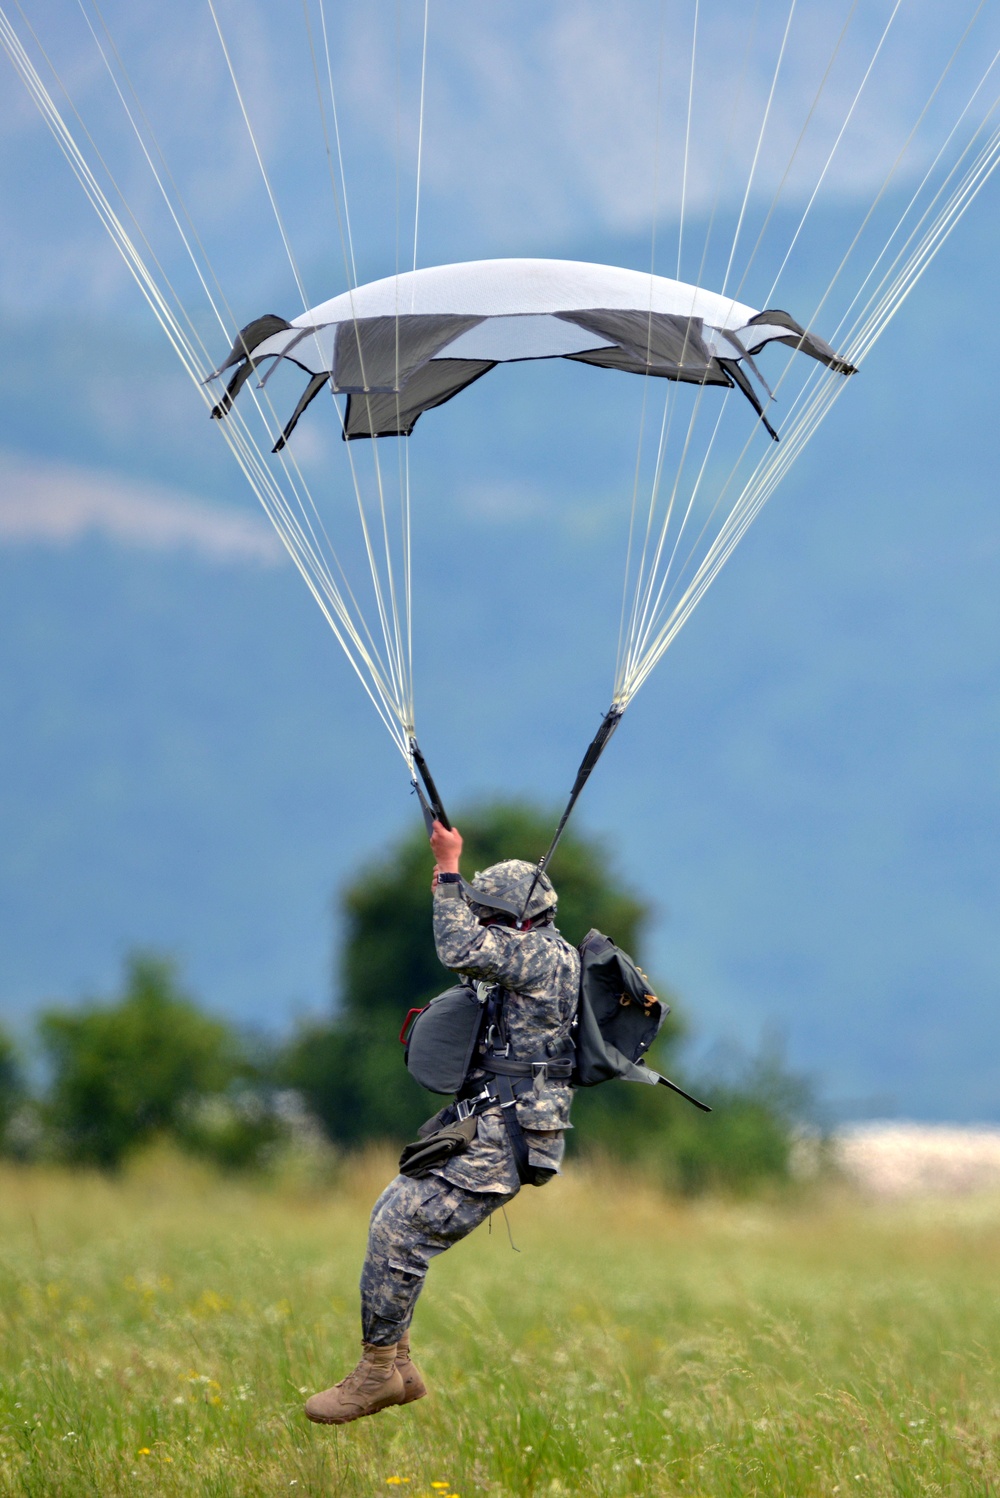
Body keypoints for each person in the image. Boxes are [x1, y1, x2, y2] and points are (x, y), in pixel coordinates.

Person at [304, 818, 581, 1426]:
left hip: (503, 1136)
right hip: (494, 1125)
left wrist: (451, 868)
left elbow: (460, 948)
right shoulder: (537, 952)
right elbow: (469, 959)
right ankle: (397, 1364)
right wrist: (447, 887)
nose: (477, 920)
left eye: (487, 912)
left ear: (514, 921)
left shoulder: (534, 953)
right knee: (390, 1212)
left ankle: (376, 1372)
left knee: (401, 1233)